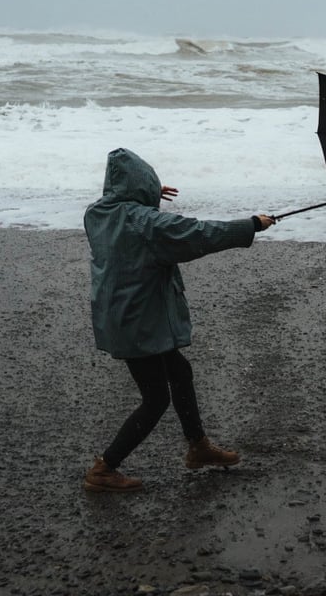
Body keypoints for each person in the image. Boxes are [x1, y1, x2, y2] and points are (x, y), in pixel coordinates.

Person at [81, 147, 276, 492]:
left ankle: (198, 447)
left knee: (179, 371)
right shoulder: (145, 223)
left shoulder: (97, 214)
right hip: (138, 322)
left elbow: (129, 211)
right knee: (155, 399)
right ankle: (104, 468)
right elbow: (198, 234)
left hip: (123, 315)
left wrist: (146, 194)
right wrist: (250, 226)